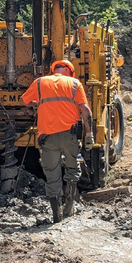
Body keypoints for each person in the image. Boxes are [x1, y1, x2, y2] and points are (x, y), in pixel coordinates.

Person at [20, 60, 93, 222]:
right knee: (72, 170)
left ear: (54, 71)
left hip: (48, 138)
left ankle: (56, 215)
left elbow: (23, 101)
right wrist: (89, 135)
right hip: (70, 136)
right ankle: (69, 205)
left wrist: (37, 103)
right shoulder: (75, 84)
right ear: (69, 71)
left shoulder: (40, 82)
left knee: (52, 176)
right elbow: (85, 110)